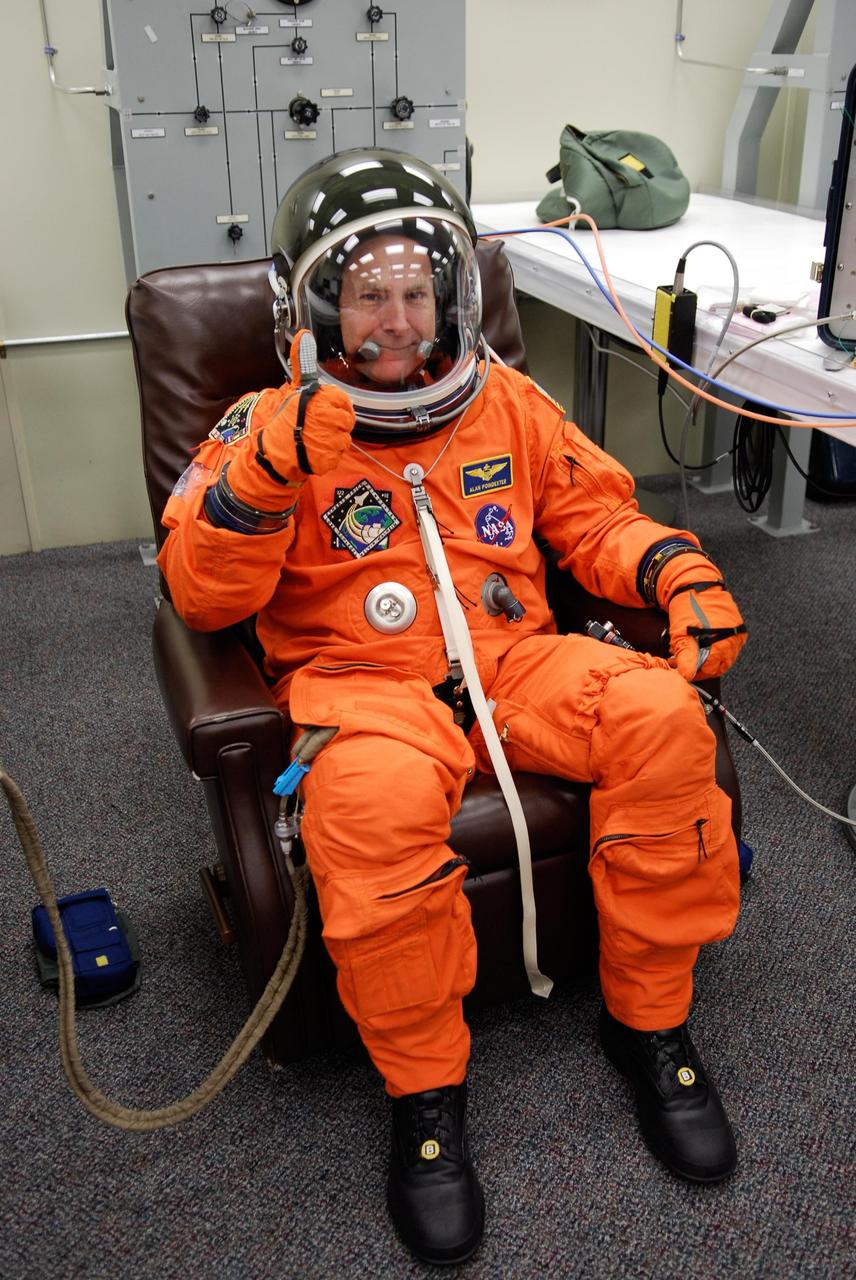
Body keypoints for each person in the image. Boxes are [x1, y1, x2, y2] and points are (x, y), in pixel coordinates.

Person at [158, 148, 747, 1266]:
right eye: (368, 292)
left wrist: (675, 567)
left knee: (665, 718)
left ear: (452, 301)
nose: (394, 318)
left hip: (516, 657)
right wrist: (271, 472)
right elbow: (198, 590)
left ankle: (650, 1021)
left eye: (416, 291)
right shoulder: (261, 425)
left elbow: (594, 519)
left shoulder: (509, 403)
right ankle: (426, 1099)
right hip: (361, 686)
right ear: (318, 304)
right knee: (369, 813)